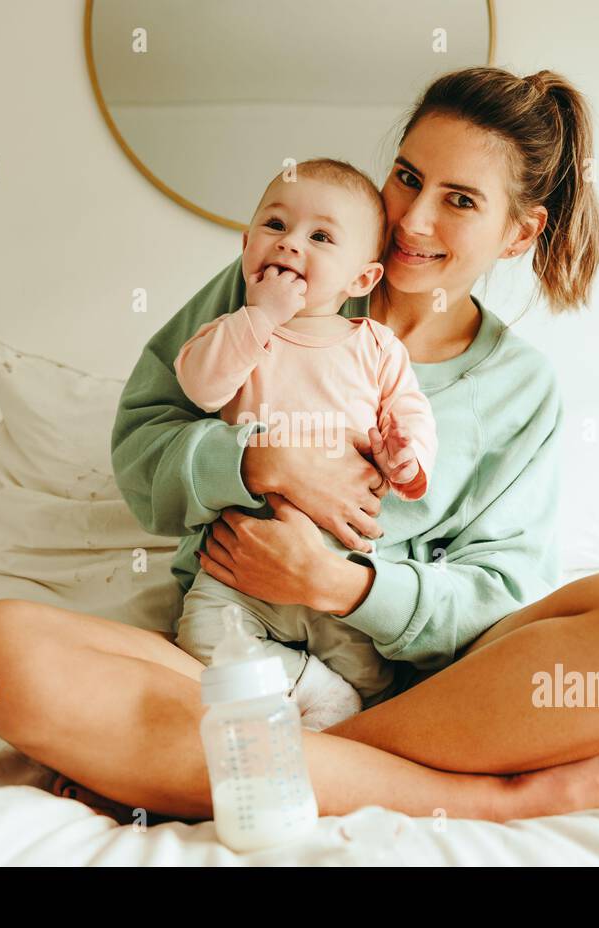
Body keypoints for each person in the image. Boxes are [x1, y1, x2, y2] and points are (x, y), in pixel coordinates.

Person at [0, 67, 599, 824]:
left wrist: (342, 585)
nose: (412, 218)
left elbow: (498, 593)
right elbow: (142, 439)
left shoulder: (519, 386)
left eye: (459, 199)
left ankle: (228, 764)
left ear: (518, 233)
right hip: (236, 651)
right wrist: (254, 459)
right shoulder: (279, 279)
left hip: (427, 696)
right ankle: (477, 794)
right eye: (407, 176)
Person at [172, 157, 439, 731]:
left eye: (319, 236)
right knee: (200, 642)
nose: (290, 244)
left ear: (362, 280)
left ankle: (339, 725)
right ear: (247, 247)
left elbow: (411, 414)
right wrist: (259, 315)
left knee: (374, 681)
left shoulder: (376, 346)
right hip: (238, 564)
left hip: (337, 563)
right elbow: (200, 386)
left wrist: (405, 458)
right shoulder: (237, 334)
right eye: (274, 226)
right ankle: (306, 686)